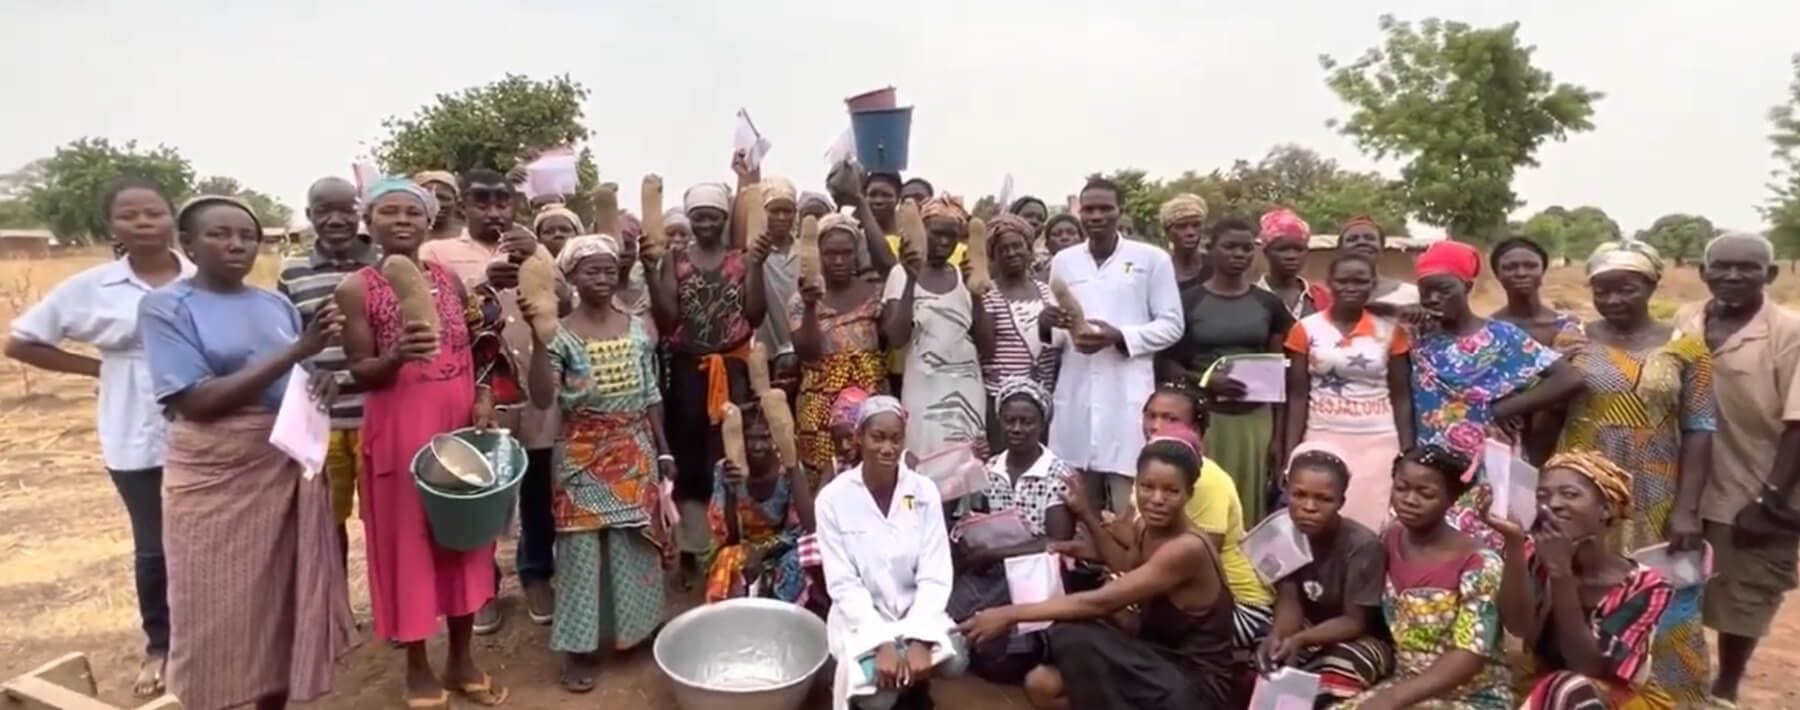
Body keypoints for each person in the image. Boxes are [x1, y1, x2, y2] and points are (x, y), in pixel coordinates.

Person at [139, 195, 353, 710]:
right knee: (214, 607)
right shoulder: (166, 306)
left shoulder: (271, 303)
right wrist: (299, 351)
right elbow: (195, 400)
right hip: (217, 476)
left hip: (282, 465)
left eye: (247, 235)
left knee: (280, 604)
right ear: (186, 243)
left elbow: (290, 374)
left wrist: (317, 378)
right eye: (219, 234)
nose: (236, 244)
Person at [4, 177, 190, 696]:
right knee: (154, 544)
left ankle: (214, 636)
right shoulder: (91, 287)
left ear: (171, 218)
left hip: (204, 424)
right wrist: (96, 369)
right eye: (129, 216)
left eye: (153, 213)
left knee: (207, 540)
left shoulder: (202, 276)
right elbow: (22, 342)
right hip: (133, 424)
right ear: (112, 225)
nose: (143, 223)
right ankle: (162, 645)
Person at [335, 179, 508, 706]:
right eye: (390, 212)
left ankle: (461, 659)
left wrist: (482, 396)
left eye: (414, 212)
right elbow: (361, 372)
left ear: (430, 220)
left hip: (455, 423)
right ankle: (416, 665)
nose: (403, 220)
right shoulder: (357, 287)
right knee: (407, 547)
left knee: (464, 539)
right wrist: (396, 357)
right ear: (371, 221)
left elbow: (478, 347)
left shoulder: (449, 280)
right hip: (400, 431)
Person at [960, 434, 1245, 709]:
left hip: (1194, 683)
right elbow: (1126, 566)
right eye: (1147, 487)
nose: (1157, 499)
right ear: (1136, 486)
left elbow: (1104, 601)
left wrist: (1007, 614)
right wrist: (1081, 549)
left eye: (1171, 491)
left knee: (1072, 634)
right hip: (1159, 656)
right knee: (1041, 683)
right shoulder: (1145, 526)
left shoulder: (1187, 549)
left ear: (1189, 494)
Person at [1557, 239, 1716, 705]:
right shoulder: (1572, 341)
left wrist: (1688, 507)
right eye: (1602, 290)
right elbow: (1545, 413)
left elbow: (1700, 429)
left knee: (1669, 592)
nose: (1612, 300)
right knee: (1581, 586)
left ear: (1649, 285)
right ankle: (1581, 693)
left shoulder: (1687, 347)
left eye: (1625, 289)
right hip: (1581, 491)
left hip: (1658, 490)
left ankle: (1672, 696)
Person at [522, 234, 674, 692]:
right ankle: (579, 648)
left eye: (609, 269)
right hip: (581, 454)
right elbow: (543, 397)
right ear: (571, 276)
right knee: (580, 551)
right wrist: (535, 337)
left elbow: (650, 393)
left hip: (634, 448)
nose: (603, 278)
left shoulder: (636, 328)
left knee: (634, 544)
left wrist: (663, 449)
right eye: (592, 270)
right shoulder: (559, 334)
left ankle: (637, 632)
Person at [420, 169, 559, 632]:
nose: (495, 210)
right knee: (481, 491)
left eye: (503, 201)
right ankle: (483, 585)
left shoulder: (533, 248)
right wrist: (483, 282)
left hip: (537, 388)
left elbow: (567, 304)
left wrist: (538, 261)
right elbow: (430, 319)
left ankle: (536, 573)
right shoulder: (436, 253)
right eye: (483, 201)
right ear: (464, 204)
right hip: (477, 392)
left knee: (539, 489)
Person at [1675, 232, 1800, 706]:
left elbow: (1798, 424)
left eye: (1747, 267)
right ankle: (1681, 677)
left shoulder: (1790, 332)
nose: (1732, 275)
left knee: (1745, 596)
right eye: (1721, 266)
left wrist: (1769, 499)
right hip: (1693, 482)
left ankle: (1725, 688)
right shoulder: (1688, 319)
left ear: (1769, 275)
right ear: (1703, 272)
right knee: (1683, 586)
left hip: (1761, 486)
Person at [1410, 239, 1584, 549]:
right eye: (1427, 291)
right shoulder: (1418, 335)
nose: (1435, 298)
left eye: (1445, 289)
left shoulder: (1501, 336)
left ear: (1467, 286)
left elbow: (1568, 379)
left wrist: (1505, 408)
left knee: (1497, 543)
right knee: (1434, 547)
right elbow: (1367, 302)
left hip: (1492, 463)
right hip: (1432, 465)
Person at [1042, 177, 1184, 516]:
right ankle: (1080, 568)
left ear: (1120, 210)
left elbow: (1172, 324)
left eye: (1105, 208)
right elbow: (1059, 333)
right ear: (1079, 212)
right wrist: (1050, 324)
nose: (1096, 216)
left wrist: (1119, 336)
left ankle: (1127, 569)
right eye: (1089, 209)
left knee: (1130, 502)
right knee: (1076, 502)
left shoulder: (1152, 259)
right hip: (1076, 390)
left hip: (1127, 391)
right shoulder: (1064, 261)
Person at [1491, 452, 1674, 710]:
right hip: (1538, 689)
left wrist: (1560, 572)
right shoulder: (1530, 555)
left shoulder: (1647, 586)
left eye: (1570, 494)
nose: (1552, 504)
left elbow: (1588, 666)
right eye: (1542, 496)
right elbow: (1517, 627)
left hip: (1609, 700)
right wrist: (1513, 541)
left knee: (1568, 687)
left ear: (1606, 509)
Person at [648, 181, 765, 572]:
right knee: (690, 457)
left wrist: (759, 268)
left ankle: (729, 546)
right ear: (690, 219)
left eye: (713, 216)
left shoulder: (741, 260)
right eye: (699, 217)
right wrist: (651, 270)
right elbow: (667, 320)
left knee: (730, 454)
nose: (706, 224)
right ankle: (691, 547)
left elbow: (755, 316)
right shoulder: (675, 260)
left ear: (724, 218)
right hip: (687, 373)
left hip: (731, 370)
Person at [816, 396, 961, 710]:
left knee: (956, 661)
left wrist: (919, 639)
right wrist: (880, 642)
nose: (887, 448)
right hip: (862, 620)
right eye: (877, 437)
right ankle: (897, 689)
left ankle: (913, 686)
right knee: (877, 702)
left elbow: (935, 573)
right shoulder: (832, 499)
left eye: (896, 439)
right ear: (859, 438)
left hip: (915, 614)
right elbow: (843, 584)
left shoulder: (923, 492)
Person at [1344, 445, 1511, 710]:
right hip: (1404, 685)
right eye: (1401, 488)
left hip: (1471, 696)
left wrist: (1394, 698)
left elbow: (1468, 655)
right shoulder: (1390, 537)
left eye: (1426, 493)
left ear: (1452, 498)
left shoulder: (1479, 564)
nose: (1409, 500)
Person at [1161, 216, 1296, 524]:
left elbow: (1280, 371)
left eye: (1247, 248)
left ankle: (1243, 570)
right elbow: (1166, 362)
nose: (1239, 254)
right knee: (1204, 498)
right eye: (1230, 247)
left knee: (1250, 502)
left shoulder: (1268, 305)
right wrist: (1207, 380)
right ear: (1210, 249)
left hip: (1255, 421)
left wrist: (1278, 437)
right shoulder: (1188, 302)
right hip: (1205, 418)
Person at [947, 378, 1074, 683]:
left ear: (1042, 424)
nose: (1017, 428)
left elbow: (1057, 543)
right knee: (953, 611)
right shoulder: (990, 469)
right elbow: (973, 521)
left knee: (998, 656)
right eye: (1010, 421)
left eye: (1027, 421)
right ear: (1000, 423)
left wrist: (995, 553)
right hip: (993, 570)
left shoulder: (1058, 473)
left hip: (1036, 574)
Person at [1283, 252, 1415, 529]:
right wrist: (1290, 451)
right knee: (1319, 518)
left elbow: (1401, 396)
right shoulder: (1306, 329)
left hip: (1378, 440)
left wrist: (1406, 451)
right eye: (1343, 281)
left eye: (1360, 281)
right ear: (1329, 283)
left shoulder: (1391, 331)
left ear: (1372, 284)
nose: (1351, 288)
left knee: (1371, 520)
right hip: (1321, 434)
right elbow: (1296, 395)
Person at [1258, 444, 1396, 705]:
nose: (1309, 506)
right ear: (1286, 491)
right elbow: (1289, 598)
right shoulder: (1279, 532)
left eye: (1324, 499)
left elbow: (1356, 621)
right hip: (1309, 626)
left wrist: (1300, 639)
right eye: (1299, 495)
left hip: (1358, 635)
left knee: (1336, 669)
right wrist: (1281, 637)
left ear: (1341, 502)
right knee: (1268, 650)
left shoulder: (1362, 545)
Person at [1138, 384, 1274, 645]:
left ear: (1196, 430)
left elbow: (1195, 564)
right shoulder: (1152, 468)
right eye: (1150, 415)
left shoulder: (1206, 478)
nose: (1155, 426)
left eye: (1170, 419)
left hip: (1240, 606)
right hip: (1181, 591)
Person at [882, 195, 992, 462]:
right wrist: (911, 279)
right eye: (936, 233)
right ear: (922, 231)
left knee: (964, 463)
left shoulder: (964, 275)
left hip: (966, 388)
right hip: (922, 387)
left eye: (951, 235)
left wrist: (976, 293)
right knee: (922, 461)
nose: (943, 241)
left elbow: (987, 347)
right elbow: (896, 338)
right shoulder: (901, 274)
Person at [793, 215, 888, 481]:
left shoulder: (875, 293)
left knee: (872, 470)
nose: (838, 261)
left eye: (846, 253)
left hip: (870, 398)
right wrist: (811, 305)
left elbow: (893, 338)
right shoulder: (799, 303)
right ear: (818, 254)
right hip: (819, 403)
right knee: (823, 476)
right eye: (830, 254)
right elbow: (808, 353)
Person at [706, 400, 816, 605]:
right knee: (728, 559)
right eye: (750, 439)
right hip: (743, 545)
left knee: (797, 562)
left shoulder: (788, 469)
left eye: (765, 438)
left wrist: (764, 550)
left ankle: (783, 620)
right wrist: (731, 490)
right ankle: (731, 620)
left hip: (782, 547)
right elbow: (728, 538)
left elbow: (807, 528)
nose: (757, 446)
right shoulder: (725, 469)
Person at [1487, 236, 1585, 464]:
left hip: (1562, 437)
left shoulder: (1569, 326)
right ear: (1498, 275)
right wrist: (1552, 373)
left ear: (1542, 270)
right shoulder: (1488, 331)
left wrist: (1514, 397)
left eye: (1530, 266)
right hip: (1510, 441)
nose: (1521, 273)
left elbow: (1578, 381)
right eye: (1509, 267)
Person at [978, 214, 1057, 448]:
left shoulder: (1047, 291)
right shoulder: (987, 293)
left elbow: (1056, 342)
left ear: (1029, 249)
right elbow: (986, 349)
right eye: (1003, 249)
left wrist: (1047, 326)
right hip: (1002, 401)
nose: (1011, 253)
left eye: (1017, 246)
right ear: (993, 255)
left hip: (1042, 397)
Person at [754, 177, 803, 394]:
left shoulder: (806, 251)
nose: (782, 217)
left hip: (802, 349)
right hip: (765, 352)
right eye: (774, 211)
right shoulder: (754, 254)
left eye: (788, 211)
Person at [1259, 208, 1331, 318]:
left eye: (1299, 249)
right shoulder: (1249, 298)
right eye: (1282, 249)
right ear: (1266, 252)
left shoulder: (1323, 297)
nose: (1291, 256)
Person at [1338, 216, 1418, 308]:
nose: (1361, 242)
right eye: (1352, 239)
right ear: (1341, 250)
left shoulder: (1411, 294)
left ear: (1382, 247)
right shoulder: (1323, 295)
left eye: (1369, 238)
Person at [1159, 194, 1209, 288]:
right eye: (1181, 226)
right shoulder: (1160, 270)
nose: (1190, 233)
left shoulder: (1217, 266)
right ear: (1167, 232)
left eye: (1196, 225)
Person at [413, 170, 463, 241]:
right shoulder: (406, 235)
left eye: (445, 198)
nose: (437, 205)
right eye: (429, 198)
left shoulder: (470, 237)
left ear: (456, 201)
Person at [1035, 213, 1084, 281]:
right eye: (1057, 234)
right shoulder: (1038, 274)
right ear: (1047, 244)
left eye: (1071, 233)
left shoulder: (1095, 268)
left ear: (1082, 240)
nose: (1064, 237)